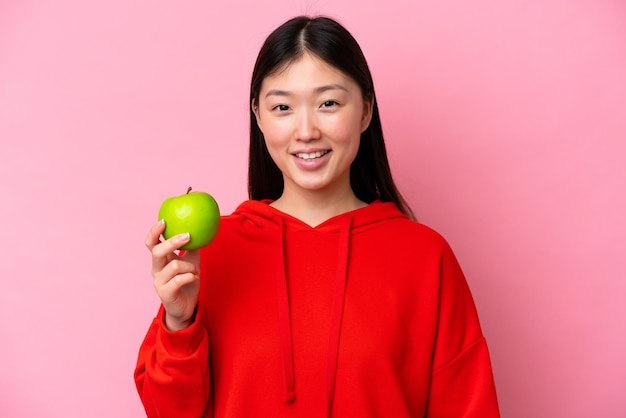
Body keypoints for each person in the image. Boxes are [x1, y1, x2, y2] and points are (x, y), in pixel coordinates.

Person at [134, 15, 500, 418]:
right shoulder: (213, 252)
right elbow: (167, 412)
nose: (306, 131)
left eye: (328, 103)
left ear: (365, 111)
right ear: (258, 117)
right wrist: (179, 321)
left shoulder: (427, 257)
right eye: (283, 107)